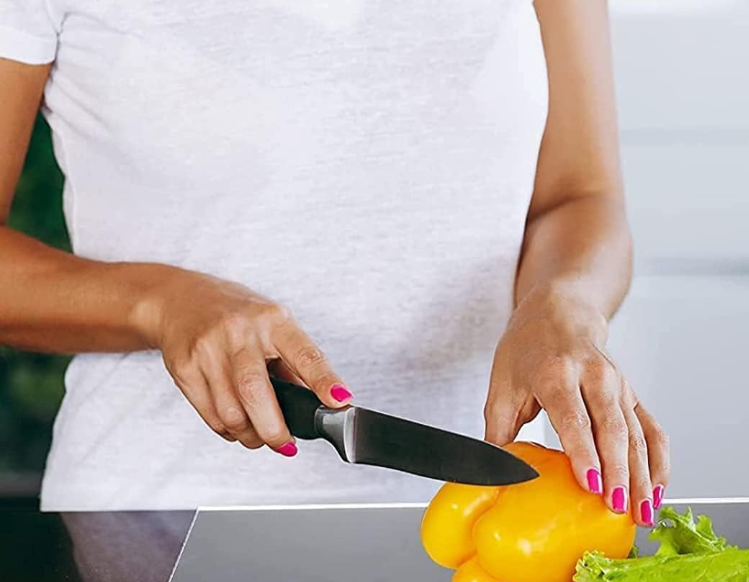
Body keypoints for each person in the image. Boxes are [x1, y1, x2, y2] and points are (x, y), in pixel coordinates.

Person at [0, 0, 669, 523]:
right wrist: (158, 303)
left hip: (479, 525)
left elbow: (582, 198)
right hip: (157, 519)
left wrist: (563, 307)